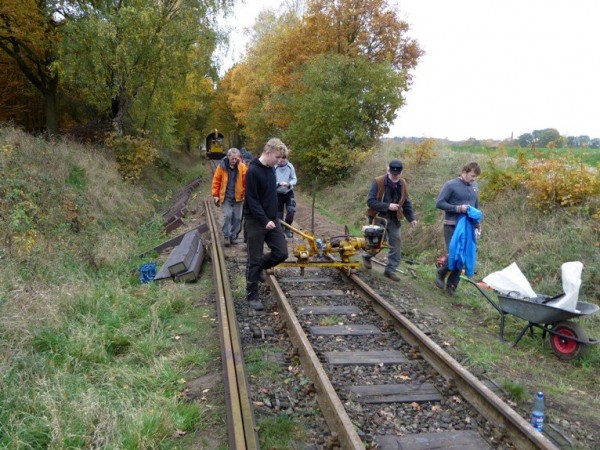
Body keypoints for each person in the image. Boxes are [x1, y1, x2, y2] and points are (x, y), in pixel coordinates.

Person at [244, 138, 289, 308]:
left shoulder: (271, 170)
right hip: (256, 220)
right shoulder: (253, 171)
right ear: (268, 152)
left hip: (272, 219)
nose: (278, 161)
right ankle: (252, 295)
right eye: (276, 157)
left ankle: (255, 270)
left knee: (281, 253)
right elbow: (252, 199)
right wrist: (264, 220)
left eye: (280, 158)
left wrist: (274, 218)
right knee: (254, 258)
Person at [363, 160, 417, 282]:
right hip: (378, 217)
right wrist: (387, 206)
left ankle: (390, 271)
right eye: (393, 174)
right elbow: (370, 201)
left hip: (394, 219)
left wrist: (411, 219)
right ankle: (367, 256)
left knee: (396, 244)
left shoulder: (403, 184)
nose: (395, 177)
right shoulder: (378, 181)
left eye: (397, 175)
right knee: (376, 242)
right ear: (388, 170)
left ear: (401, 173)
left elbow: (406, 202)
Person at [435, 161, 482, 296]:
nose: (473, 179)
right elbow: (439, 203)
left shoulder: (475, 186)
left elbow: (475, 206)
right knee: (454, 254)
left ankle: (452, 285)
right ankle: (441, 273)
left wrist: (477, 224)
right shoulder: (450, 185)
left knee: (463, 257)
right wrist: (457, 208)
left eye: (475, 177)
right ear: (464, 172)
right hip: (452, 225)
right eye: (472, 176)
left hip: (468, 226)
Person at [211, 148, 248, 247]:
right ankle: (226, 235)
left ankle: (233, 235)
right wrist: (215, 195)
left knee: (237, 218)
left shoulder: (242, 167)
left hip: (238, 197)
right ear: (228, 157)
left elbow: (246, 182)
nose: (234, 160)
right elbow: (216, 181)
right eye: (232, 158)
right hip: (226, 196)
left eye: (236, 159)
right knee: (227, 215)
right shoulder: (221, 167)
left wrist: (246, 193)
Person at [275, 154, 297, 238]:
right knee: (278, 214)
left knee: (291, 210)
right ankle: (280, 230)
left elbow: (294, 179)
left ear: (286, 158)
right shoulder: (275, 166)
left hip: (288, 192)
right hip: (277, 192)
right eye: (280, 158)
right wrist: (278, 184)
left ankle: (287, 228)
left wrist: (289, 184)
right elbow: (271, 178)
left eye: (283, 158)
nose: (281, 160)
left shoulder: (290, 167)